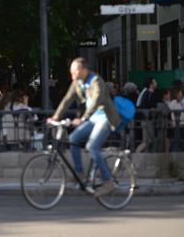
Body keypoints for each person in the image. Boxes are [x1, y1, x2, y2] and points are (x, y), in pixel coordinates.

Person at [49, 57, 120, 197]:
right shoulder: (77, 82)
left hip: (105, 119)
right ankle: (80, 173)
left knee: (92, 147)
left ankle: (108, 182)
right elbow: (67, 99)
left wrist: (83, 118)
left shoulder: (96, 80)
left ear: (82, 70)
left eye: (73, 72)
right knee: (73, 138)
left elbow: (97, 100)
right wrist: (56, 116)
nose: (72, 75)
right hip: (92, 119)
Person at [135, 78, 158, 153]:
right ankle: (136, 153)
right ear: (151, 84)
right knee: (149, 140)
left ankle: (139, 153)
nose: (156, 83)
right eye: (155, 82)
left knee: (146, 140)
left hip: (144, 119)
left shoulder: (144, 93)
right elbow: (152, 106)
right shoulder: (149, 93)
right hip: (148, 119)